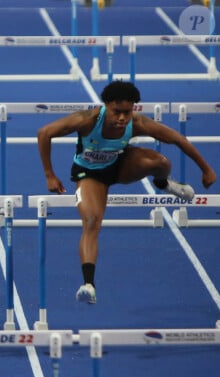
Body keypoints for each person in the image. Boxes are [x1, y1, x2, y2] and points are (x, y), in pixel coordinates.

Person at [37, 80, 216, 305]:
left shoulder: (137, 122)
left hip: (120, 167)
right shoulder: (87, 120)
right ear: (106, 106)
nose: (122, 118)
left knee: (160, 162)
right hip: (91, 175)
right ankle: (88, 285)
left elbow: (177, 139)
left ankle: (163, 184)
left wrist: (206, 169)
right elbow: (44, 133)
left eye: (127, 112)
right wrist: (49, 175)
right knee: (92, 222)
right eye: (117, 112)